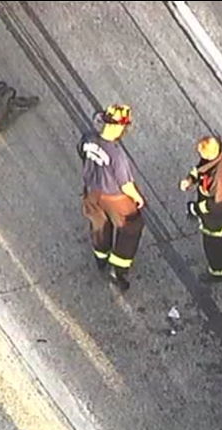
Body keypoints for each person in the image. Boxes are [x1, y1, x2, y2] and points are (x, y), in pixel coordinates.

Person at [79, 104, 147, 291]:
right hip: (115, 198)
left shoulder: (88, 139)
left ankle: (101, 258)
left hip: (92, 193)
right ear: (119, 127)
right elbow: (126, 185)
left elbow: (82, 155)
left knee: (99, 225)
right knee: (130, 228)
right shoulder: (117, 155)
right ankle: (117, 270)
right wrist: (138, 198)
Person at [180, 135, 222, 281]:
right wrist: (190, 179)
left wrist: (196, 208)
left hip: (216, 219)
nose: (200, 156)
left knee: (214, 247)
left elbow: (216, 205)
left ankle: (220, 272)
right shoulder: (217, 158)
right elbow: (201, 169)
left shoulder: (219, 178)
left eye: (202, 154)